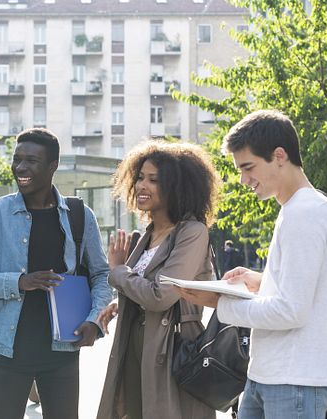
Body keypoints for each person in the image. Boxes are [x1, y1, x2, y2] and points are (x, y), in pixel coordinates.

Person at [178, 110, 327, 419]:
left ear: (279, 155)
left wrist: (221, 304)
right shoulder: (298, 209)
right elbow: (301, 293)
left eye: (248, 167)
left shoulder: (304, 213)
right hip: (275, 375)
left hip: (295, 380)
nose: (244, 180)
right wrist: (263, 280)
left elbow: (291, 311)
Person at [0, 128, 112, 419]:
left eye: (31, 161)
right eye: (17, 159)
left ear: (53, 166)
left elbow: (101, 275)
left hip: (62, 351)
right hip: (8, 351)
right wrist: (18, 282)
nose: (20, 168)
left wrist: (95, 321)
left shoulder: (79, 214)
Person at [95, 140, 220, 419]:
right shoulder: (146, 235)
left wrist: (118, 272)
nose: (142, 186)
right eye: (139, 177)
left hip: (171, 348)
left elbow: (161, 295)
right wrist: (120, 303)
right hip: (135, 345)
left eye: (153, 180)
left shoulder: (192, 232)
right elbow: (143, 288)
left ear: (177, 186)